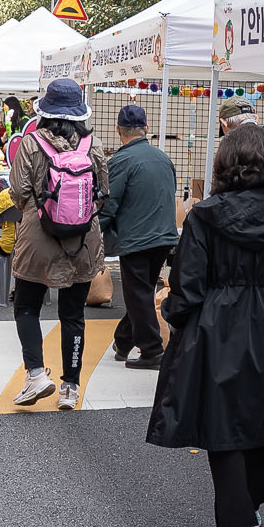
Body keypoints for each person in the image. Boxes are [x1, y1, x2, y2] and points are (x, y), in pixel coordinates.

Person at [146, 123, 264, 527]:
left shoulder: (205, 215)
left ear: (224, 163)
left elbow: (188, 282)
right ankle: (251, 513)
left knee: (222, 423)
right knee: (258, 413)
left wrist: (174, 313)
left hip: (218, 322)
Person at [6, 80, 108, 405]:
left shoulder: (31, 142)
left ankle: (36, 375)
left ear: (45, 110)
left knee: (26, 306)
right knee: (73, 313)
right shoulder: (93, 144)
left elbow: (20, 193)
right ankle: (70, 387)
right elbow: (102, 194)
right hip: (82, 239)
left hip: (38, 236)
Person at [100, 102, 179, 371]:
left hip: (136, 238)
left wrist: (95, 229)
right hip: (165, 236)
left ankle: (152, 350)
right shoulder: (163, 158)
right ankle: (123, 341)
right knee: (141, 292)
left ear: (118, 130)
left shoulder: (120, 161)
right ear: (146, 128)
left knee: (138, 293)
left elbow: (109, 204)